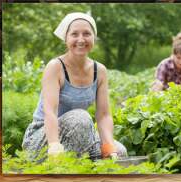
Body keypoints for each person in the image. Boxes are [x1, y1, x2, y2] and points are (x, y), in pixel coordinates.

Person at [22, 12, 127, 161]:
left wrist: (109, 147)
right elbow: (50, 112)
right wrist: (53, 145)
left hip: (78, 132)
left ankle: (82, 165)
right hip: (42, 138)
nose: (81, 39)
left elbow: (104, 115)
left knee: (120, 152)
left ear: (94, 38)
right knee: (81, 118)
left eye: (86, 34)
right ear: (66, 39)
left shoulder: (100, 71)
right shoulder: (55, 67)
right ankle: (66, 169)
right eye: (74, 34)